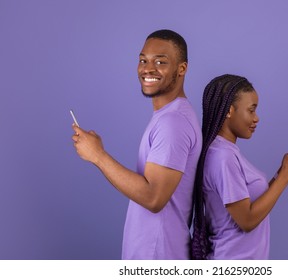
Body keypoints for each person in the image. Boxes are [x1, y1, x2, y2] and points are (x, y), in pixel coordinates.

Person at [72, 29, 202, 260]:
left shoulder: (173, 122)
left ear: (182, 69)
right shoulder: (168, 116)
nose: (148, 68)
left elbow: (154, 198)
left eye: (160, 62)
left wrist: (98, 156)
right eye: (143, 60)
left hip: (158, 256)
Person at [191, 74, 288, 259]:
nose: (257, 118)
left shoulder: (226, 151)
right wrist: (285, 176)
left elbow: (253, 204)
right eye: (251, 110)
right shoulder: (222, 157)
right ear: (229, 111)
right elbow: (246, 220)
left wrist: (284, 169)